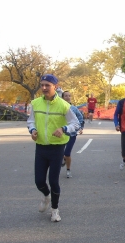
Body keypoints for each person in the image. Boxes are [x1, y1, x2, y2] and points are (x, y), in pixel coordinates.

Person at [27, 74, 80, 222]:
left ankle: (55, 210)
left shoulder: (64, 105)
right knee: (39, 181)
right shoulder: (36, 103)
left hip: (57, 148)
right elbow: (31, 121)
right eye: (42, 85)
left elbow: (75, 124)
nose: (44, 88)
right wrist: (32, 130)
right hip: (41, 146)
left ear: (55, 87)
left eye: (47, 85)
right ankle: (46, 196)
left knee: (54, 180)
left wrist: (63, 129)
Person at [61, 91, 84, 178]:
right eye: (66, 96)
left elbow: (80, 118)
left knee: (67, 153)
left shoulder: (74, 109)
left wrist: (81, 128)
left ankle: (68, 170)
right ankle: (62, 159)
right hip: (61, 134)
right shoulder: (59, 108)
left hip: (72, 134)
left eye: (69, 96)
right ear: (62, 97)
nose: (68, 97)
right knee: (59, 153)